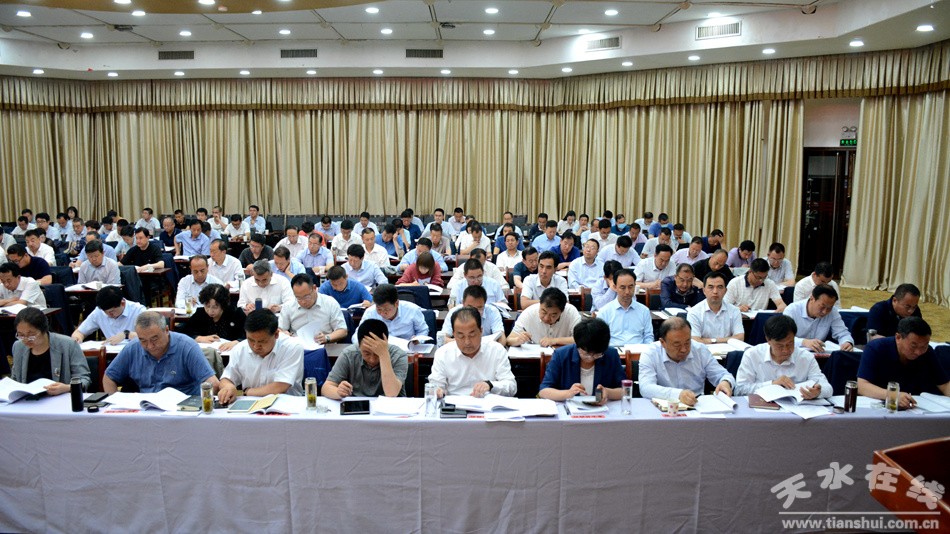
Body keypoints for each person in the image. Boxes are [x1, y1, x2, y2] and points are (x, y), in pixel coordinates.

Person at [103, 311, 217, 395]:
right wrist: (115, 404)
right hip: (147, 408)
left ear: (166, 330)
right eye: (143, 340)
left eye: (154, 339)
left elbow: (213, 384)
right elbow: (109, 378)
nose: (149, 346)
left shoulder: (187, 346)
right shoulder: (133, 348)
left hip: (183, 409)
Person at [638, 317, 735, 406]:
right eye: (677, 345)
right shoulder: (651, 354)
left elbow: (723, 375)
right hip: (663, 405)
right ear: (663, 343)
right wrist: (678, 394)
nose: (684, 349)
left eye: (687, 342)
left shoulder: (700, 350)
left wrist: (726, 382)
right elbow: (646, 388)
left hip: (697, 404)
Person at [857, 317, 949, 408]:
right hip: (879, 406)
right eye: (913, 346)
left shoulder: (927, 352)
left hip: (915, 407)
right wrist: (892, 395)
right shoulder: (876, 348)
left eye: (924, 346)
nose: (918, 352)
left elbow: (944, 385)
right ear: (898, 338)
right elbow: (862, 385)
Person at [215, 309, 302, 403]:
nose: (256, 346)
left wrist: (246, 392)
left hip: (286, 404)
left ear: (276, 334)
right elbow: (226, 378)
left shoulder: (292, 347)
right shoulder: (240, 349)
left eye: (262, 341)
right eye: (251, 340)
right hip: (249, 404)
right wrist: (228, 387)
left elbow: (280, 386)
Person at [735, 314, 832, 398]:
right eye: (779, 346)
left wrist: (818, 392)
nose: (785, 350)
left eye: (790, 344)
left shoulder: (806, 357)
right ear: (768, 340)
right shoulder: (752, 355)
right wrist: (772, 384)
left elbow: (828, 388)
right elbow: (739, 390)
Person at [428, 307, 517, 397]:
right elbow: (435, 386)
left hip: (488, 403)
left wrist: (490, 385)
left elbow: (512, 387)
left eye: (472, 335)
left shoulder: (497, 350)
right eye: (461, 336)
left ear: (481, 331)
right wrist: (437, 391)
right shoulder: (443, 353)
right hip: (455, 403)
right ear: (454, 334)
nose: (467, 342)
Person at [538, 318, 624, 403]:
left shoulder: (611, 354)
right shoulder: (561, 355)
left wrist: (608, 392)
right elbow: (543, 391)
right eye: (586, 354)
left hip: (602, 409)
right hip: (569, 409)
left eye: (597, 354)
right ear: (577, 344)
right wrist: (568, 393)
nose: (590, 358)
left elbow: (626, 390)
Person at [323, 319, 408, 399]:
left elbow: (391, 394)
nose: (372, 359)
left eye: (376, 354)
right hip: (357, 405)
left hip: (389, 406)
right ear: (359, 346)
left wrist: (384, 355)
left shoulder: (399, 355)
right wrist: (338, 392)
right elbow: (326, 387)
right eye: (366, 353)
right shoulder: (349, 354)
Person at [12, 307, 90, 393]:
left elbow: (84, 379)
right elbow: (15, 379)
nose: (26, 339)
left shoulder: (68, 345)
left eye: (31, 335)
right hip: (28, 399)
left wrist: (67, 388)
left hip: (61, 398)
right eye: (21, 335)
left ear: (44, 330)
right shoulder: (18, 347)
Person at [782, 284, 854, 352]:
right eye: (822, 306)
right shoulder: (792, 310)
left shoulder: (833, 312)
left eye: (829, 308)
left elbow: (842, 333)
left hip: (820, 354)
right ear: (812, 298)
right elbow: (783, 337)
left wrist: (847, 342)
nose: (825, 312)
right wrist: (804, 342)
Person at [279, 274, 348, 343]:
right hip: (297, 346)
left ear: (314, 288)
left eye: (306, 297)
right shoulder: (288, 306)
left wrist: (327, 338)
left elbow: (342, 330)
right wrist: (284, 334)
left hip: (325, 344)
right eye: (298, 298)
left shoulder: (330, 303)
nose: (303, 302)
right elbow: (280, 329)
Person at [595, 268, 653, 346]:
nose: (627, 292)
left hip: (638, 351)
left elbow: (648, 337)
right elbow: (600, 339)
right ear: (615, 287)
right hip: (614, 351)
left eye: (630, 287)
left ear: (635, 286)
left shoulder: (644, 311)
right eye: (622, 288)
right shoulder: (604, 312)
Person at [180, 284, 246, 350]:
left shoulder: (236, 314)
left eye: (215, 307)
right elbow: (185, 331)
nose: (210, 311)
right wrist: (199, 338)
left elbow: (247, 335)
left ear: (223, 305)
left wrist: (236, 342)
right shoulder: (200, 313)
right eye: (207, 306)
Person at [508, 288, 582, 347]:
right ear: (540, 304)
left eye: (553, 315)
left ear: (562, 311)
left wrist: (554, 341)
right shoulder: (529, 313)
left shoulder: (571, 312)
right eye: (544, 312)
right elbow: (509, 340)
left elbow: (581, 339)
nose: (546, 318)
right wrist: (517, 340)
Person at [71, 286, 145, 344]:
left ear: (122, 303)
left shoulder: (138, 310)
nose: (109, 315)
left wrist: (127, 334)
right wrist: (77, 338)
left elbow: (149, 336)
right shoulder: (99, 311)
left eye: (112, 311)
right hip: (109, 353)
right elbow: (80, 332)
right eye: (105, 312)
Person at [356, 284, 429, 342]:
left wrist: (419, 340)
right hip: (380, 350)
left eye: (386, 309)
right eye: (379, 309)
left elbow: (423, 330)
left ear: (396, 303)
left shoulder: (412, 310)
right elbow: (357, 335)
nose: (382, 314)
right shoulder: (370, 313)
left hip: (408, 350)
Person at [687, 272, 744, 344]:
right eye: (711, 287)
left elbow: (740, 337)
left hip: (729, 350)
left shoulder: (734, 311)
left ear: (725, 291)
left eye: (719, 287)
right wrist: (727, 339)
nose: (715, 291)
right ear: (704, 290)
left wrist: (711, 340)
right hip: (704, 350)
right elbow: (695, 341)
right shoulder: (694, 312)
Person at [441, 285, 506, 346]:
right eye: (470, 307)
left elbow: (502, 339)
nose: (474, 311)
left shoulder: (492, 312)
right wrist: (463, 343)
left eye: (479, 308)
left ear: (485, 303)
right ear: (463, 303)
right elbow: (443, 339)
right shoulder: (454, 312)